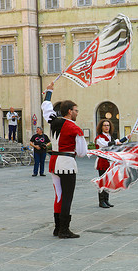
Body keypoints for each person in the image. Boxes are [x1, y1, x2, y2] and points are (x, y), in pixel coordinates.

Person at [42, 82, 87, 239]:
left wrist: (49, 92)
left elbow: (46, 107)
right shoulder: (74, 128)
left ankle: (57, 228)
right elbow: (82, 152)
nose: (77, 113)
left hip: (54, 162)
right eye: (75, 110)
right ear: (69, 111)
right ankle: (64, 230)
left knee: (59, 196)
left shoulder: (54, 121)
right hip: (67, 163)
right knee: (67, 197)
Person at [95, 119, 128, 208]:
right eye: (105, 125)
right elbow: (107, 144)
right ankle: (101, 201)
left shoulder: (110, 137)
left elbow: (116, 145)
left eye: (108, 125)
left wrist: (126, 138)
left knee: (108, 182)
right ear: (101, 127)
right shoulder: (99, 138)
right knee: (103, 182)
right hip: (102, 162)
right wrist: (116, 142)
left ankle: (106, 200)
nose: (107, 127)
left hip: (109, 162)